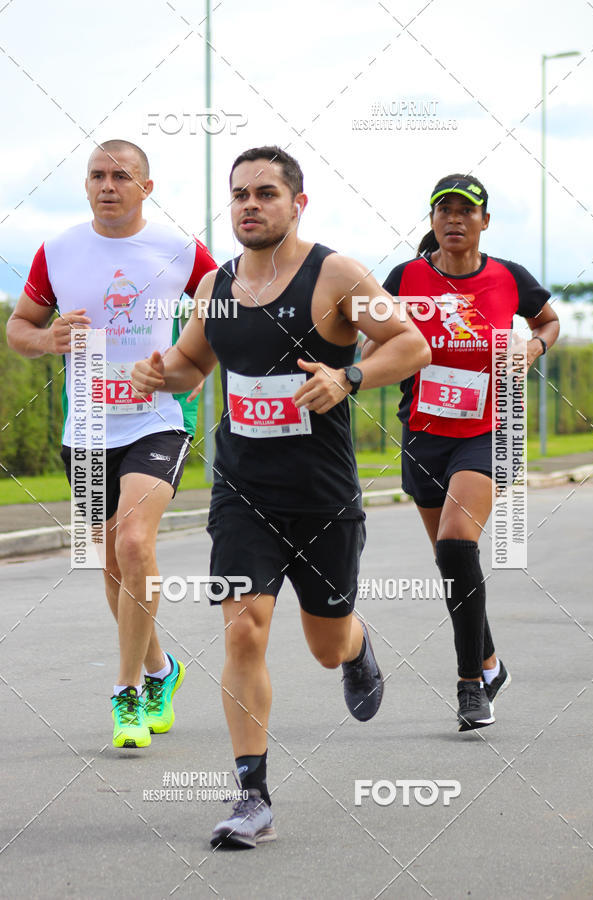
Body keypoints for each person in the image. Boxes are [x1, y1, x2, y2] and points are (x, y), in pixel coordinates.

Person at [131, 145, 430, 846]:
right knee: (243, 628)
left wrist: (348, 377)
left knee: (324, 644)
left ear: (298, 202)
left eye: (265, 192)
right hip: (243, 493)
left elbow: (410, 343)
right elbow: (192, 365)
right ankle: (252, 796)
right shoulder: (217, 288)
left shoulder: (338, 275)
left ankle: (356, 649)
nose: (249, 205)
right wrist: (159, 373)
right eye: (239, 194)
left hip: (322, 495)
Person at [6, 139, 216, 748]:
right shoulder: (59, 250)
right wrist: (48, 341)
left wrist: (185, 360)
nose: (108, 185)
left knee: (133, 541)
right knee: (111, 564)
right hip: (90, 429)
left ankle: (125, 694)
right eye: (97, 175)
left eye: (122, 176)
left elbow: (227, 302)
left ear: (146, 187)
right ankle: (160, 669)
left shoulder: (177, 250)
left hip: (157, 417)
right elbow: (21, 328)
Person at [365, 174, 559, 732]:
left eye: (465, 211)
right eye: (443, 211)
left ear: (484, 222)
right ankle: (492, 662)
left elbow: (549, 319)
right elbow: (374, 337)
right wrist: (371, 351)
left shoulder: (508, 277)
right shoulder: (405, 278)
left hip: (489, 427)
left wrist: (533, 345)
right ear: (431, 221)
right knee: (454, 562)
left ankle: (470, 684)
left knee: (455, 538)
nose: (454, 219)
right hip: (424, 430)